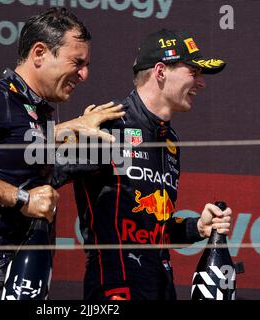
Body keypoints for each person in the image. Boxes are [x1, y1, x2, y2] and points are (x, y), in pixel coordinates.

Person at [0, 7, 124, 300]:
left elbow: (19, 150)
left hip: (24, 270)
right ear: (40, 53)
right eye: (77, 62)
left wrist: (75, 132)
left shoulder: (36, 111)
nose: (84, 74)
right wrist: (23, 199)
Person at [54, 29, 232, 300]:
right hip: (116, 287)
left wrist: (197, 227)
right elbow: (34, 172)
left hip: (161, 286)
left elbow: (154, 232)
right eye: (193, 72)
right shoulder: (110, 125)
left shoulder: (170, 139)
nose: (201, 83)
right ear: (161, 71)